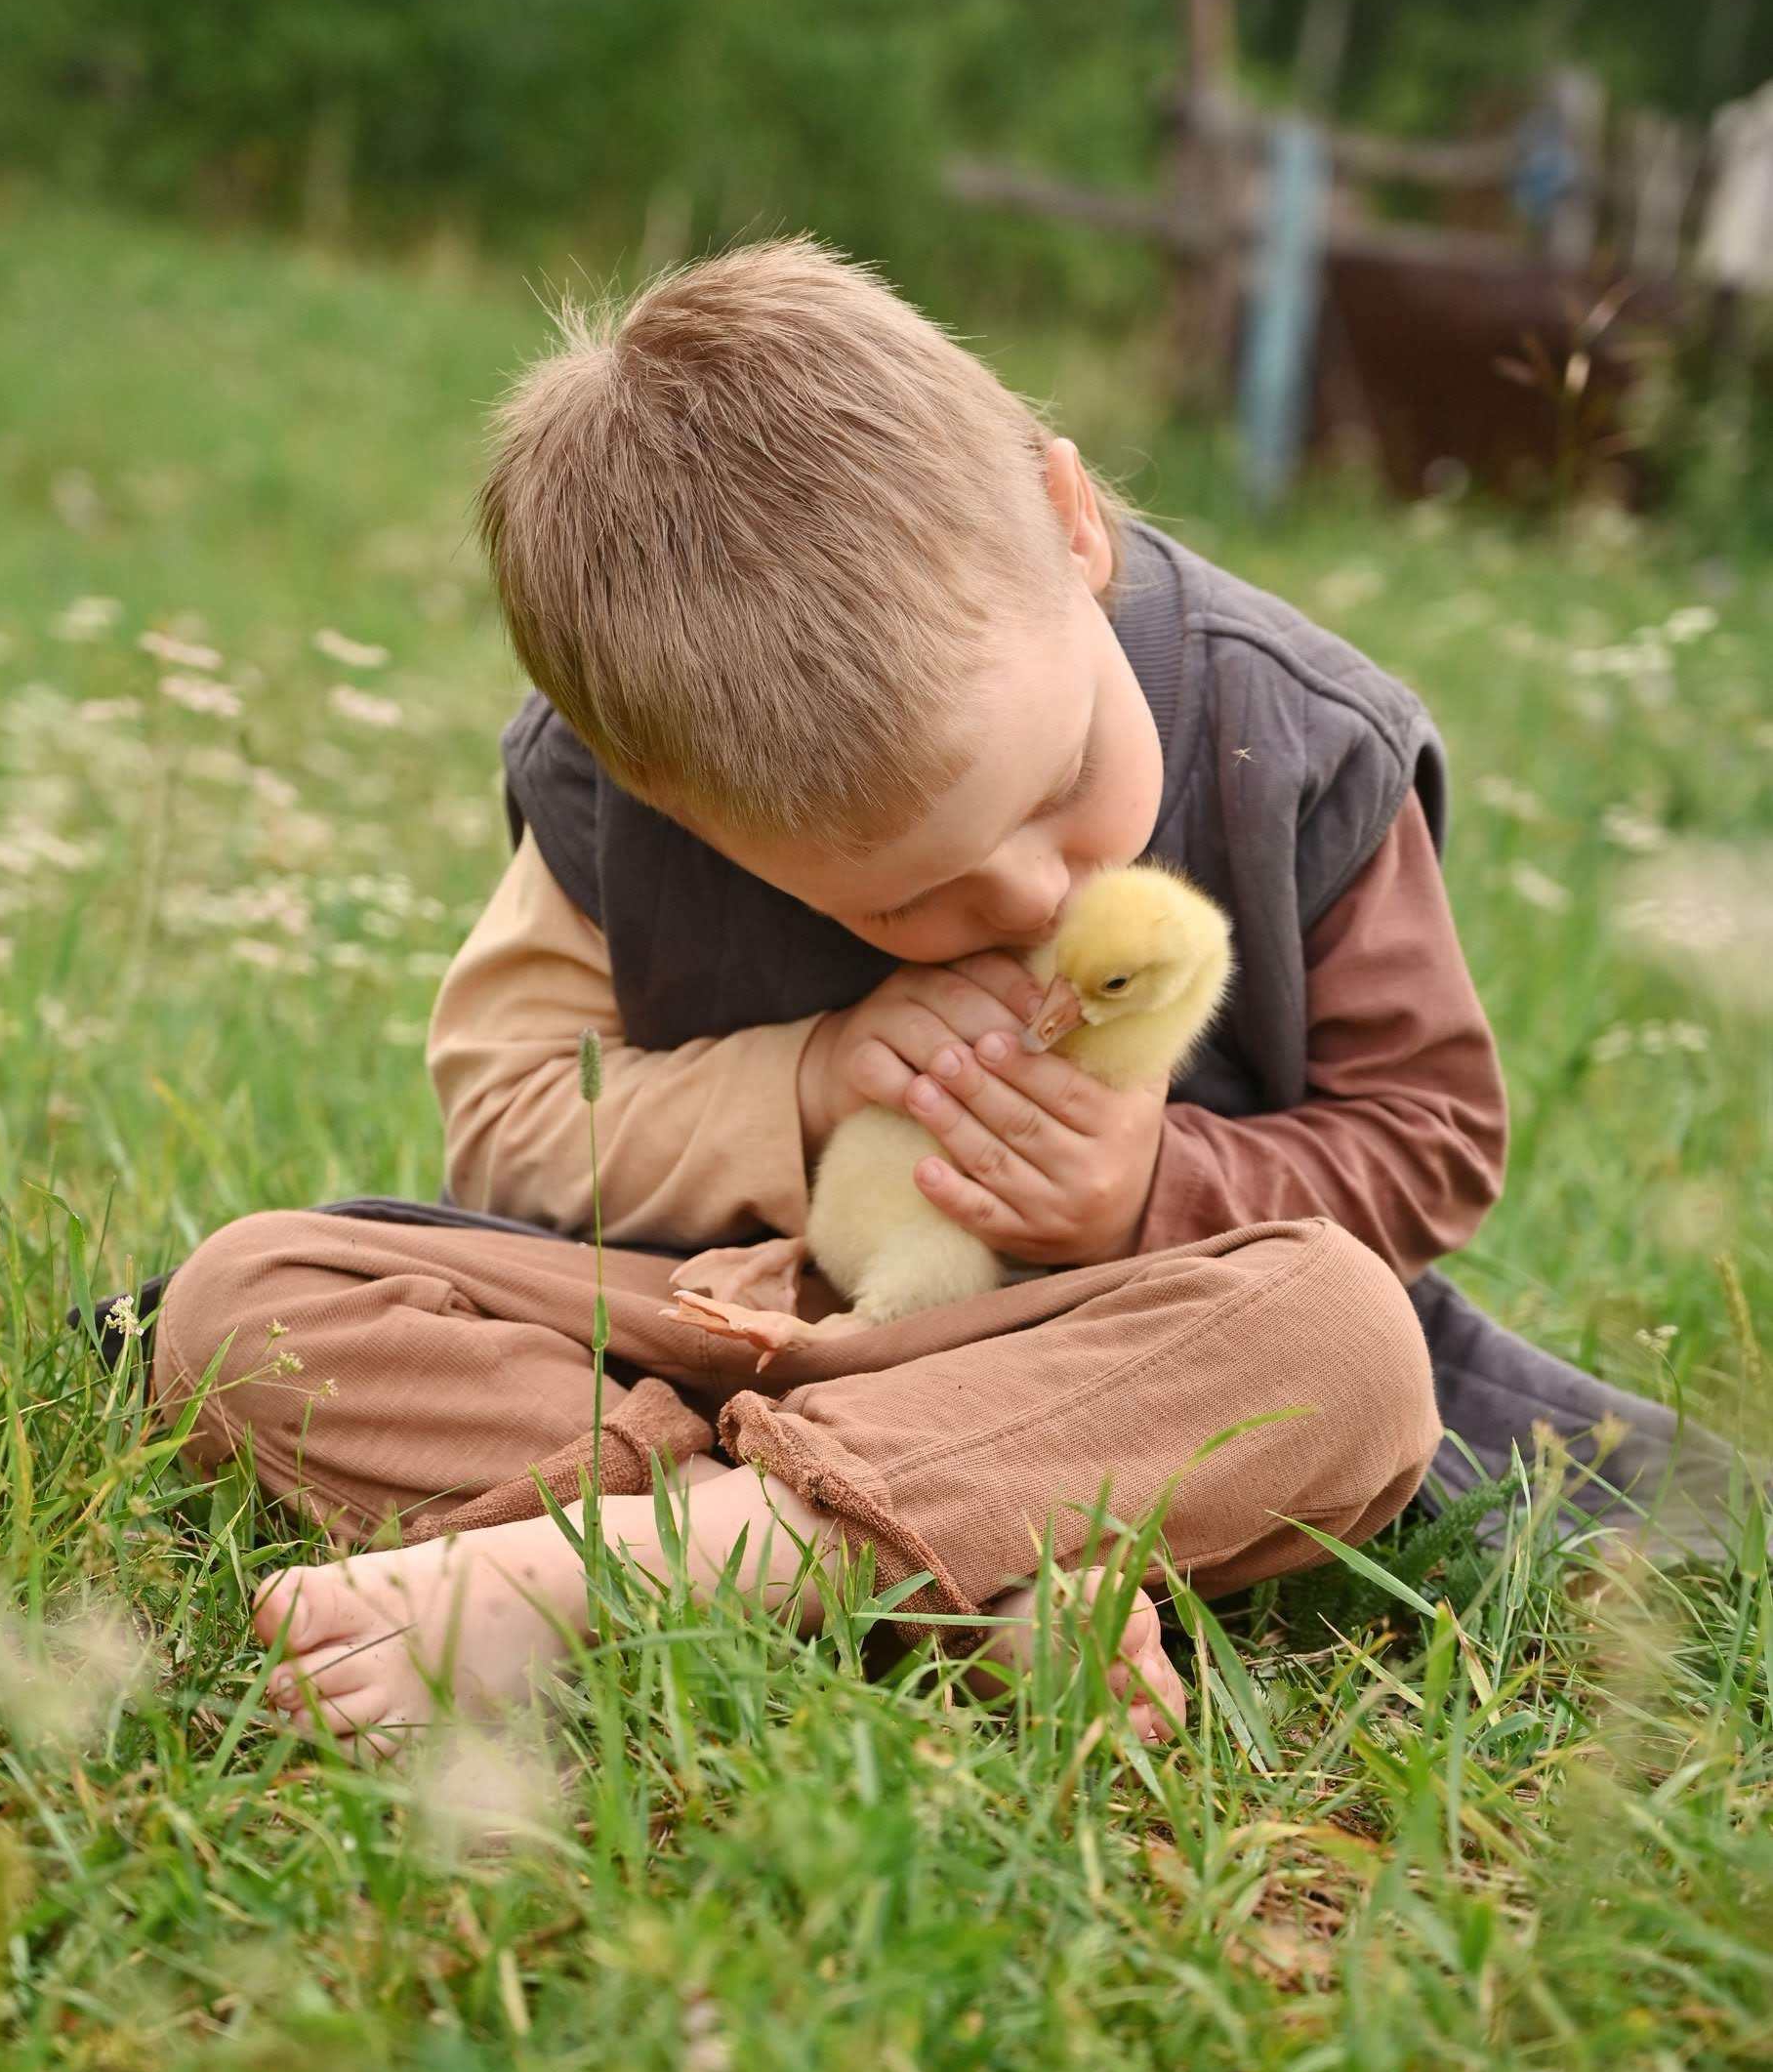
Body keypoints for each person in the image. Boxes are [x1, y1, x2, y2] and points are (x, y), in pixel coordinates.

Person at [144, 238, 1712, 1755]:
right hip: (722, 1330)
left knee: (1350, 1346)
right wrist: (810, 1080)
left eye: (1070, 782)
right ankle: (922, 1573)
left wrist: (1145, 1189)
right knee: (241, 1303)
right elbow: (506, 1128)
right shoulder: (618, 796)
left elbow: (1429, 1141)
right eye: (907, 898)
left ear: (1070, 517)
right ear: (668, 797)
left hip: (1100, 1358)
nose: (1032, 899)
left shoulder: (1291, 742)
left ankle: (657, 1557)